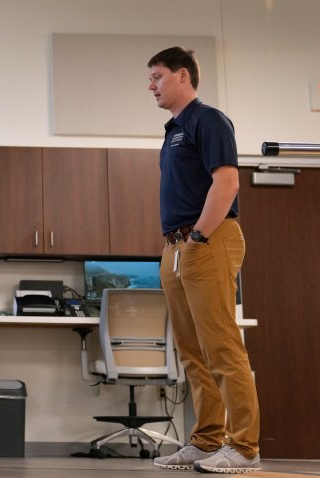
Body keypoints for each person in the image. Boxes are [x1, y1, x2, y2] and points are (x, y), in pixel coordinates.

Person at [147, 47, 260, 473]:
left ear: (182, 76)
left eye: (157, 76)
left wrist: (197, 237)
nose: (151, 86)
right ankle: (207, 440)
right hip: (175, 247)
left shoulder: (207, 119)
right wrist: (180, 244)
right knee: (192, 352)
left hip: (206, 241)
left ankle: (244, 447)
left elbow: (227, 183)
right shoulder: (172, 130)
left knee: (222, 346)